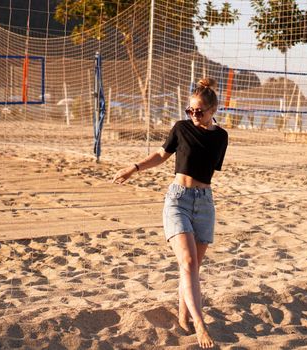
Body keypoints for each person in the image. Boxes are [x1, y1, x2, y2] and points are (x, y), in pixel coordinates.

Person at [112, 78, 228, 348]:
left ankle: (184, 317)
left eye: (199, 111)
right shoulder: (180, 128)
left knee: (192, 268)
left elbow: (209, 171)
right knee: (187, 263)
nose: (193, 115)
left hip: (205, 204)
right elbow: (161, 155)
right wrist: (133, 168)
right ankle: (200, 325)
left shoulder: (221, 137)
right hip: (178, 199)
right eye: (190, 110)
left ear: (213, 110)